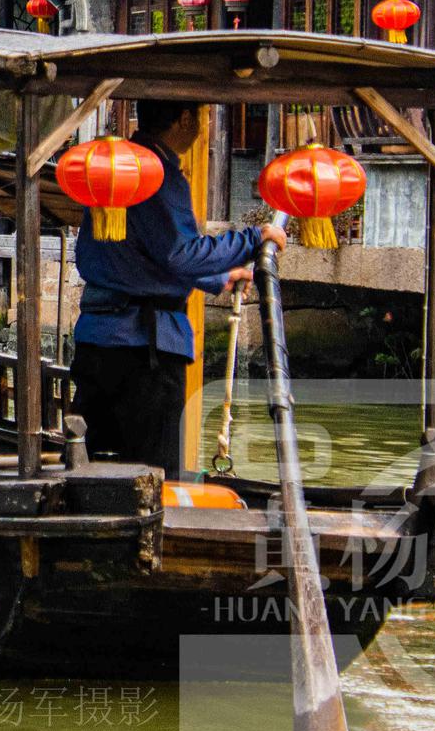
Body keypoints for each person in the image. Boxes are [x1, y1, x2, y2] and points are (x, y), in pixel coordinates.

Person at [69, 101, 288, 476]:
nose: (203, 127)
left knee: (87, 462)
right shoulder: (158, 175)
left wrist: (216, 279)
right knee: (152, 472)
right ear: (185, 118)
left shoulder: (117, 170)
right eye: (202, 118)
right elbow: (180, 255)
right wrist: (252, 239)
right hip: (144, 352)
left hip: (96, 344)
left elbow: (140, 258)